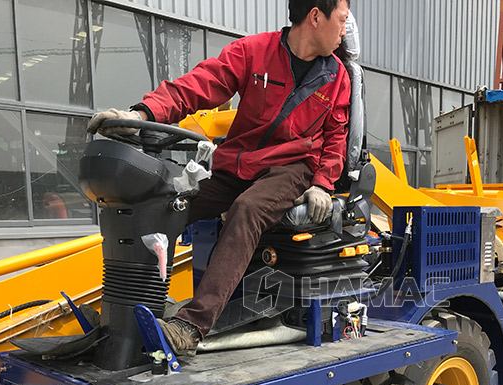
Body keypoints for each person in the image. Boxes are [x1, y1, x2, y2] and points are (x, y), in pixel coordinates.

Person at [87, 0, 352, 355]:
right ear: (316, 16)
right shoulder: (254, 52)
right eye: (342, 19)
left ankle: (191, 327)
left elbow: (336, 137)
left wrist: (322, 183)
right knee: (168, 204)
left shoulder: (337, 77)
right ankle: (124, 318)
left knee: (247, 209)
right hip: (239, 162)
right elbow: (200, 85)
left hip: (291, 168)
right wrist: (142, 113)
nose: (344, 30)